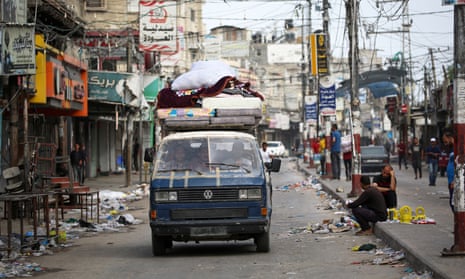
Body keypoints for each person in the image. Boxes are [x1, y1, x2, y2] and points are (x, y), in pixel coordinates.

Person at [442, 132, 455, 212]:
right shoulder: (451, 149)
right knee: (452, 202)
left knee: (453, 203)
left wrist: (455, 180)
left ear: (450, 138)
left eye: (445, 140)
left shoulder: (457, 149)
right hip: (451, 180)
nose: (444, 142)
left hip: (455, 180)